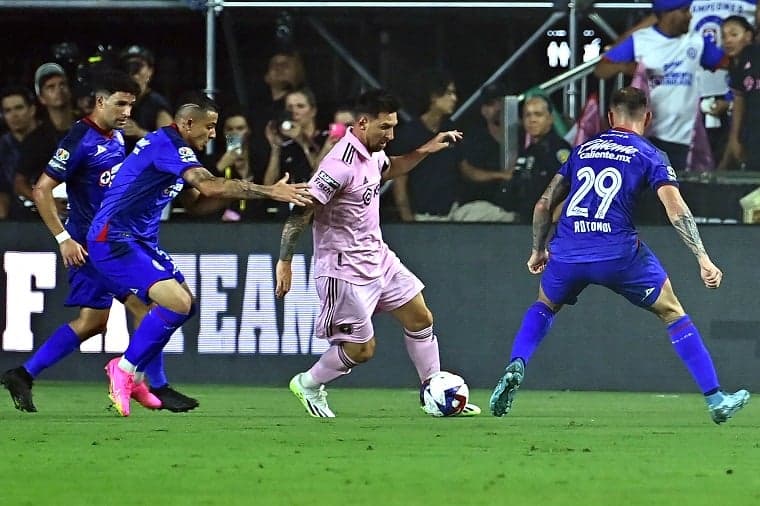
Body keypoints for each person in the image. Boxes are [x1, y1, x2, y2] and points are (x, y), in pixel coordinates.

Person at [489, 87, 749, 425]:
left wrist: (539, 249)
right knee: (672, 312)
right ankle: (716, 399)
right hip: (618, 254)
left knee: (544, 305)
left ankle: (517, 363)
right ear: (648, 117)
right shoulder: (650, 154)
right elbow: (676, 209)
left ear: (610, 117)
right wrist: (702, 257)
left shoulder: (582, 149)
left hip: (568, 251)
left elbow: (543, 204)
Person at [86, 99, 311, 417]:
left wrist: (242, 203)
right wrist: (268, 192)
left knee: (184, 305)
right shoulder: (168, 145)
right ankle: (122, 369)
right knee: (175, 303)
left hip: (139, 241)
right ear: (187, 124)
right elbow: (208, 187)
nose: (213, 133)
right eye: (209, 126)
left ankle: (137, 378)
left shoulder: (175, 149)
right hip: (113, 239)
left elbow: (195, 203)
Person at [0, 71, 196, 413]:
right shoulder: (80, 139)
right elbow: (41, 188)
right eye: (120, 104)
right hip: (93, 243)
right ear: (100, 101)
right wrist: (63, 238)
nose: (126, 112)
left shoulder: (116, 138)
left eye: (131, 105)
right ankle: (154, 385)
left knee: (94, 322)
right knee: (147, 308)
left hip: (107, 239)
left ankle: (23, 374)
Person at [275, 89, 479, 418]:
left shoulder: (373, 152)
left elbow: (390, 167)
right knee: (362, 349)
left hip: (378, 257)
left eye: (394, 126)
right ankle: (308, 383)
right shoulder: (338, 166)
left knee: (421, 317)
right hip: (344, 269)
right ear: (362, 123)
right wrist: (285, 261)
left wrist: (426, 149)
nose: (391, 135)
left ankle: (434, 392)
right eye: (385, 127)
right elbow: (303, 211)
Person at [594, 0, 728, 171]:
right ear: (668, 13)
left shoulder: (697, 41)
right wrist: (624, 67)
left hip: (684, 138)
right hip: (646, 136)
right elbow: (600, 70)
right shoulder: (641, 40)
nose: (691, 16)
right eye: (685, 11)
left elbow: (727, 63)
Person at [389, 69, 462, 221]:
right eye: (449, 93)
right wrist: (408, 221)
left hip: (454, 214)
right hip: (424, 218)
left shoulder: (451, 129)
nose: (454, 98)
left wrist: (499, 175)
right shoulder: (408, 134)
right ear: (434, 97)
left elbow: (466, 168)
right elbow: (399, 183)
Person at [263, 87, 335, 219]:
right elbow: (269, 187)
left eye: (300, 106)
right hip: (290, 214)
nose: (294, 112)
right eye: (289, 107)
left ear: (313, 111)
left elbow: (319, 174)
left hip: (322, 213)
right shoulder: (286, 146)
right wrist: (275, 147)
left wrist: (302, 140)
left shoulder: (327, 139)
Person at [455, 81, 517, 222]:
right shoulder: (475, 140)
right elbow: (469, 173)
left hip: (514, 206)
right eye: (491, 104)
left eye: (500, 102)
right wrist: (501, 175)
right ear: (483, 110)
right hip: (482, 208)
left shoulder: (522, 135)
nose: (497, 108)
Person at [512, 95, 572, 224]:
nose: (532, 120)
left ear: (550, 119)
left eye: (538, 114)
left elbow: (567, 188)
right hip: (523, 220)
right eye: (527, 115)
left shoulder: (559, 149)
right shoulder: (528, 151)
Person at [718, 16, 759, 170]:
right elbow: (739, 100)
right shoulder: (740, 62)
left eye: (734, 34)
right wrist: (735, 139)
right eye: (724, 36)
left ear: (748, 36)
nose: (727, 40)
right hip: (752, 135)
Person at [119, 45, 173, 152]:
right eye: (128, 66)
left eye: (138, 66)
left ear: (150, 71)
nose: (133, 72)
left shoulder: (156, 104)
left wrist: (140, 133)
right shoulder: (118, 100)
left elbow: (170, 142)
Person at [0, 85, 40, 220]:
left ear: (32, 110)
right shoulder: (3, 147)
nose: (14, 115)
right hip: (15, 223)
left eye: (19, 108)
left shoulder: (50, 138)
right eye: (8, 110)